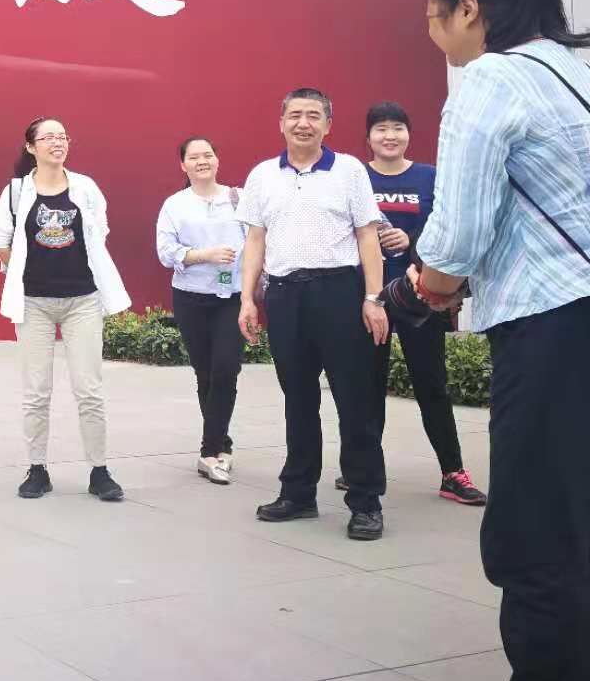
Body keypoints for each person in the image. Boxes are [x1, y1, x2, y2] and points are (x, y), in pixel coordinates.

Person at [408, 0, 590, 681]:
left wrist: (430, 287)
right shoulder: (577, 73)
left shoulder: (491, 79)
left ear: (469, 10)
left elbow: (457, 235)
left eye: (433, 19)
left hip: (553, 332)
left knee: (538, 533)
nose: (434, 36)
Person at [237, 87, 391, 541]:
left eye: (313, 116)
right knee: (298, 399)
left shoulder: (349, 171)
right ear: (281, 122)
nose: (303, 123)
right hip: (285, 296)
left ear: (328, 125)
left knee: (355, 401)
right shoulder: (262, 175)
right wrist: (248, 298)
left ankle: (365, 502)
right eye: (295, 115)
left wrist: (374, 298)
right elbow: (255, 241)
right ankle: (299, 493)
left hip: (339, 293)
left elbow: (367, 235)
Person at [0, 118, 131, 501]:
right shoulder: (15, 192)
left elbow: (99, 232)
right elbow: (0, 240)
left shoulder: (86, 187)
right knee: (36, 392)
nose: (57, 142)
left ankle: (99, 471)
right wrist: (24, 266)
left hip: (82, 300)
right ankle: (37, 469)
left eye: (62, 136)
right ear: (30, 147)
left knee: (89, 390)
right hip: (33, 303)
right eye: (48, 137)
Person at [360, 101, 484, 505]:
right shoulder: (356, 177)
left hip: (420, 295)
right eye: (381, 128)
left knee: (432, 385)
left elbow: (447, 229)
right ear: (368, 137)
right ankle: (363, 467)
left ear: (409, 134)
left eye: (397, 127)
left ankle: (453, 473)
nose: (390, 136)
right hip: (371, 297)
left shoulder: (430, 177)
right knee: (367, 386)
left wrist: (411, 241)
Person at [155, 136, 245, 485]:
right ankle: (222, 442)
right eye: (194, 157)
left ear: (217, 160)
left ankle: (209, 453)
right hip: (191, 297)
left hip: (233, 296)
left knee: (226, 369)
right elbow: (166, 252)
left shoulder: (239, 199)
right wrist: (204, 255)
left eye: (208, 154)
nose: (202, 161)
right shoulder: (175, 205)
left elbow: (258, 241)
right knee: (205, 374)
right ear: (183, 165)